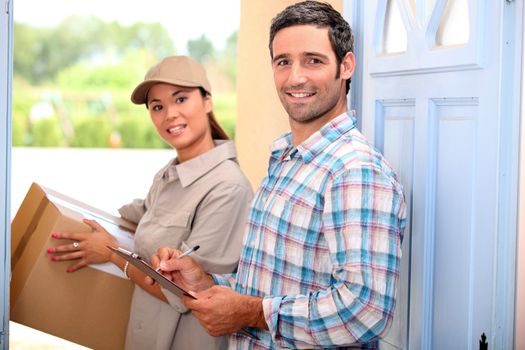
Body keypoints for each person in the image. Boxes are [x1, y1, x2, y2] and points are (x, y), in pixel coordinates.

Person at [152, 2, 407, 349]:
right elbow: (268, 284)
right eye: (283, 61)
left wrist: (251, 312)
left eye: (313, 60)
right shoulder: (286, 158)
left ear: (345, 66)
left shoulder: (355, 171)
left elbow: (365, 311)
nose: (295, 77)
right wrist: (206, 281)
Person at [48, 55, 254, 350]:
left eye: (180, 99)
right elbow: (142, 216)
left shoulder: (228, 188)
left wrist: (111, 253)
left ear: (207, 101)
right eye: (157, 107)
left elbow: (188, 294)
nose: (169, 114)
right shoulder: (167, 176)